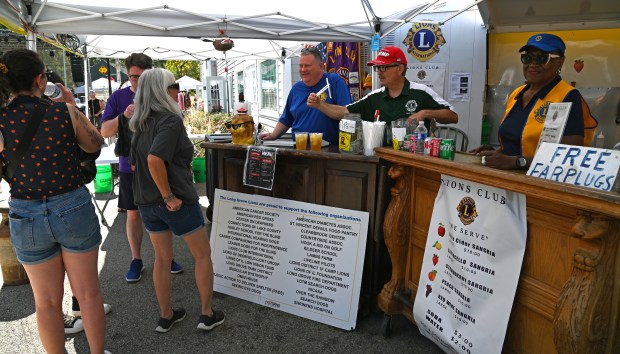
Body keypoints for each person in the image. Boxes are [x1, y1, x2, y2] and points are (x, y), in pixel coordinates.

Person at [0, 49, 107, 353]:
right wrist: (69, 104)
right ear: (40, 79)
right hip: (71, 205)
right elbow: (94, 144)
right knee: (87, 294)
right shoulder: (65, 112)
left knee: (45, 301)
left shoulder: (1, 121)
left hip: (25, 212)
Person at [129, 68, 225, 333]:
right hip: (175, 200)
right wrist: (169, 195)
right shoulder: (169, 121)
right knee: (202, 255)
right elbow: (153, 160)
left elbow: (136, 165)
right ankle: (207, 314)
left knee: (162, 258)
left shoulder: (140, 123)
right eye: (173, 85)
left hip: (147, 202)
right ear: (162, 89)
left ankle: (166, 315)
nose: (177, 90)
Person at [100, 53, 183, 282]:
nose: (137, 82)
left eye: (142, 77)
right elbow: (104, 131)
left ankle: (166, 257)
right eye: (133, 77)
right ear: (128, 76)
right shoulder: (118, 97)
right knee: (134, 214)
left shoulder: (159, 94)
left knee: (166, 211)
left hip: (159, 166)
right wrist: (121, 117)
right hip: (131, 167)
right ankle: (136, 259)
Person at [470, 33, 598, 170]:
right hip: (507, 180)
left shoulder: (568, 97)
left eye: (542, 58)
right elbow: (519, 142)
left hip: (540, 184)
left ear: (560, 61)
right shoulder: (516, 94)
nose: (533, 64)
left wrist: (514, 162)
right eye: (527, 58)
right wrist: (499, 151)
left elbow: (569, 154)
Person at [307, 46, 458, 133]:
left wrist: (425, 113)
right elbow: (345, 112)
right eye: (378, 67)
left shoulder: (421, 92)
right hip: (381, 159)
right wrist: (320, 105)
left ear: (400, 68)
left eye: (384, 67)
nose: (379, 71)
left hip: (413, 163)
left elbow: (453, 116)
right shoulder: (374, 97)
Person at [260, 46, 352, 145]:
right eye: (301, 66)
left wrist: (320, 105)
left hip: (328, 151)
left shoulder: (334, 82)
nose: (303, 70)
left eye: (307, 65)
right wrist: (273, 135)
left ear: (321, 66)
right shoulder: (296, 89)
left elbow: (347, 113)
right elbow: (287, 118)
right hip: (299, 149)